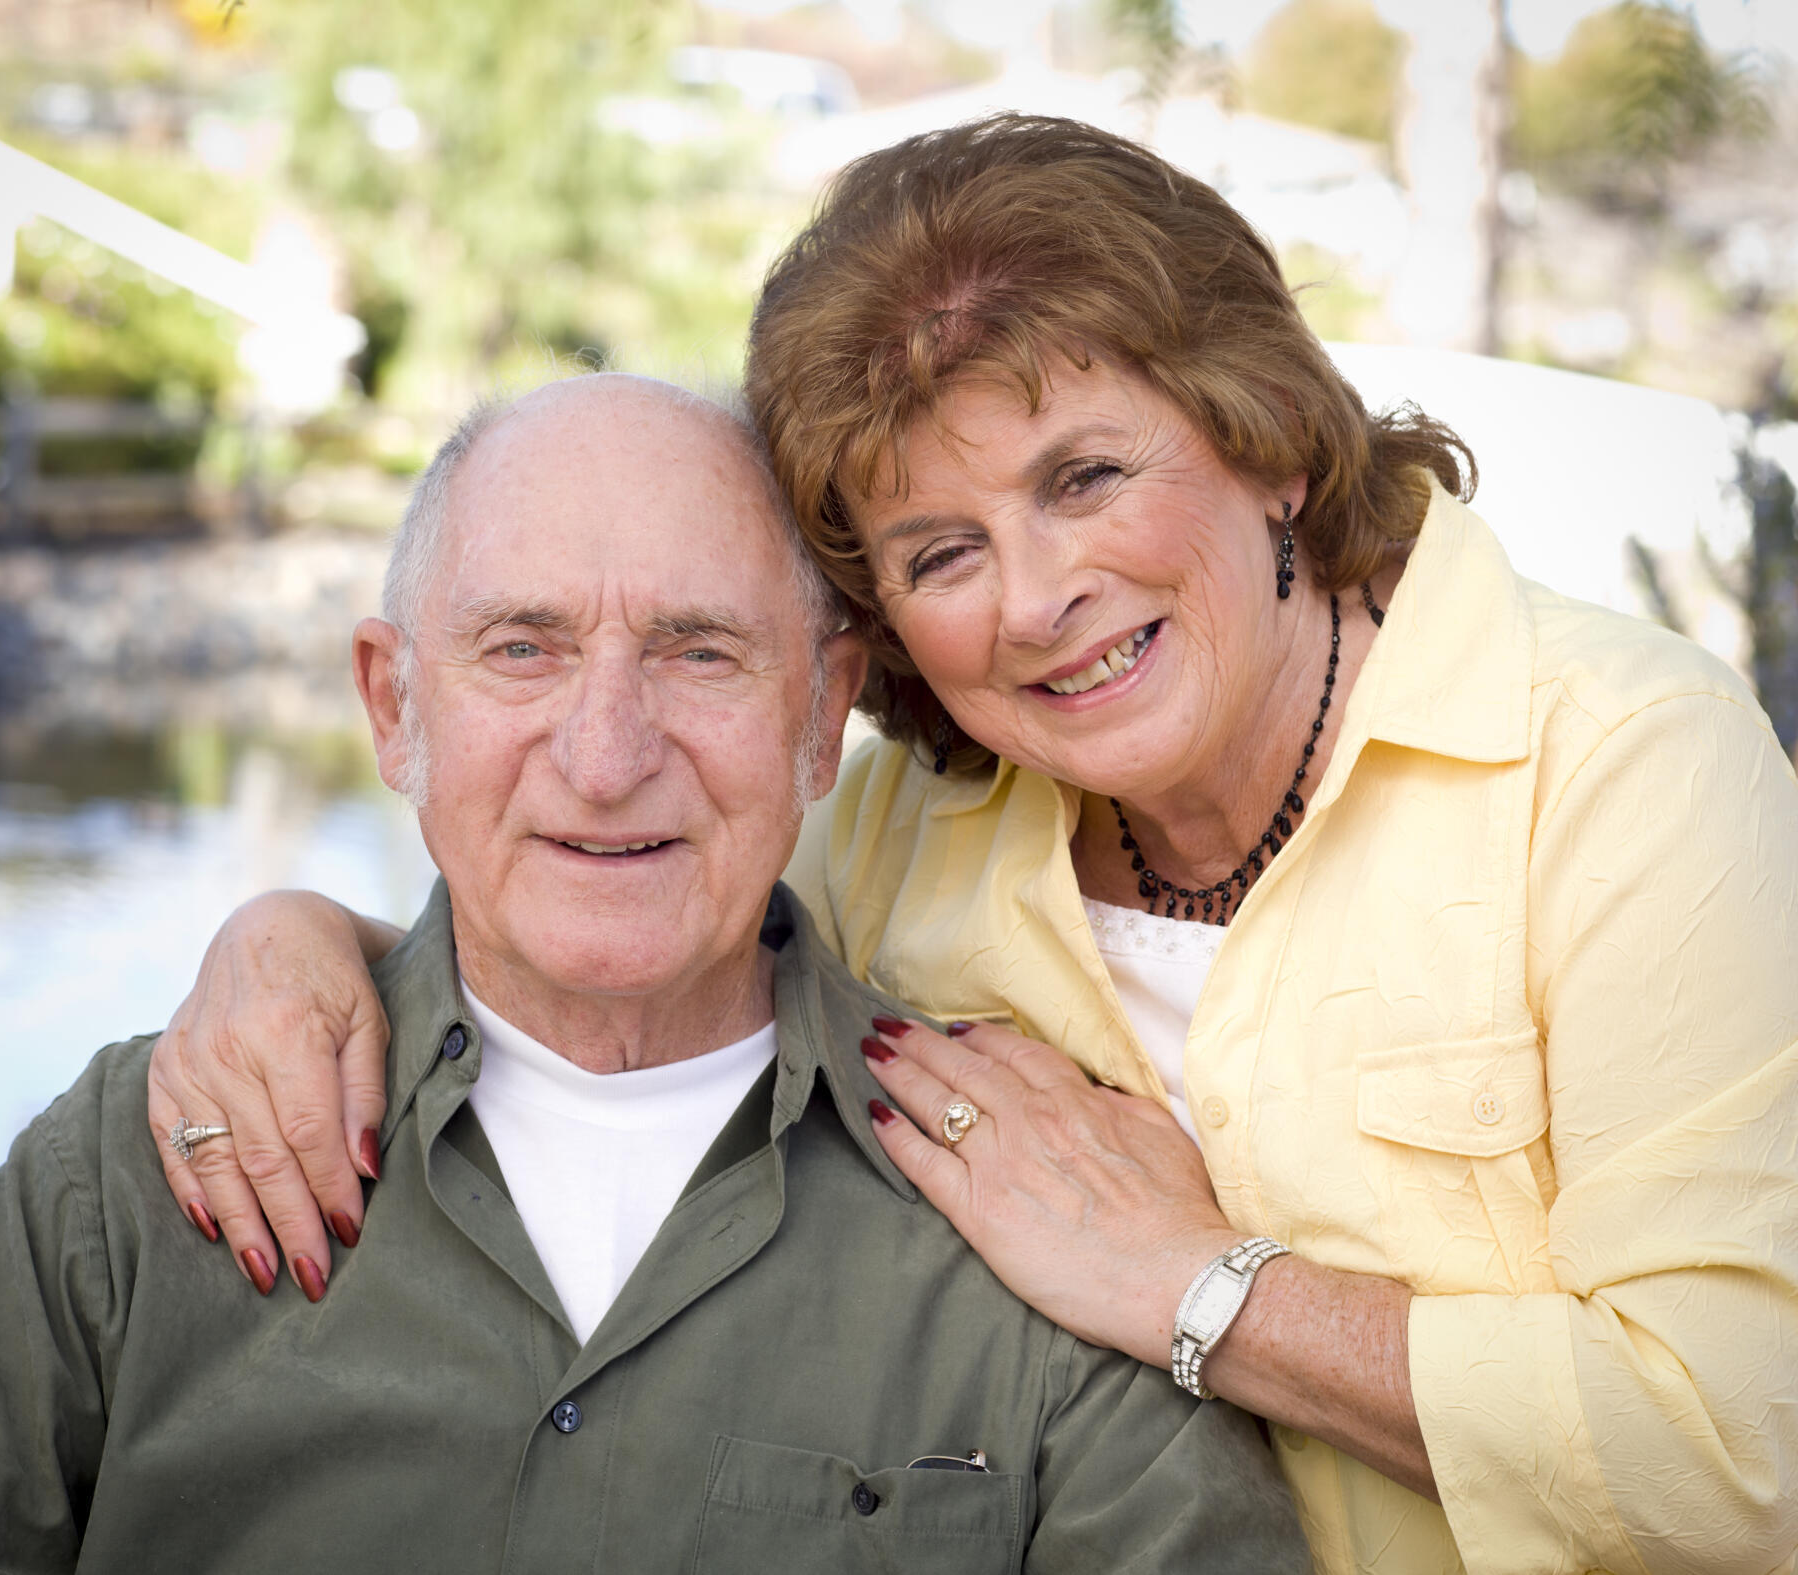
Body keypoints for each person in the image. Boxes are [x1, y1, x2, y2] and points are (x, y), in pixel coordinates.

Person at [146, 119, 1798, 1575]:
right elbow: (611, 955)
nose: (1031, 597)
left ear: (1274, 441)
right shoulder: (901, 833)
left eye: (1085, 477)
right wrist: (299, 937)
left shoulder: (1622, 765)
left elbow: (1750, 1452)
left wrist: (1200, 1290)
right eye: (943, 550)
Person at [0, 376, 1310, 1574]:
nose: (605, 756)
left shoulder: (1048, 1208)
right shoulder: (137, 1173)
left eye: (699, 653)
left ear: (823, 712)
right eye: (521, 650)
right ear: (395, 710)